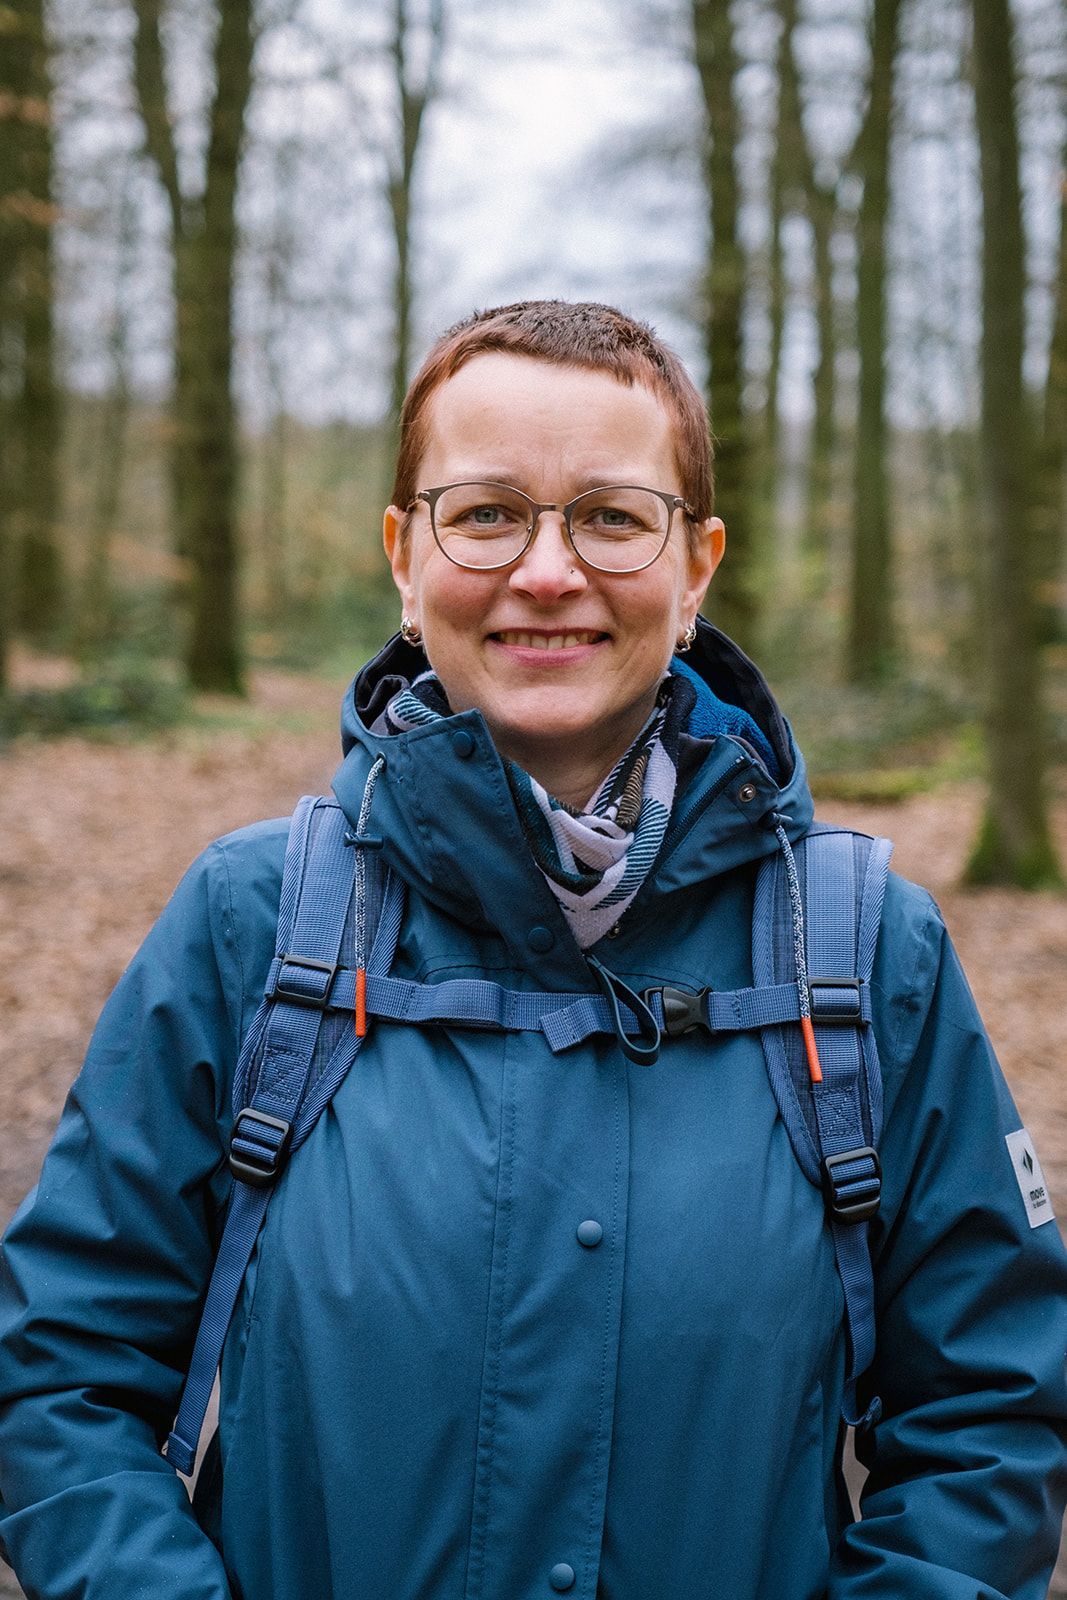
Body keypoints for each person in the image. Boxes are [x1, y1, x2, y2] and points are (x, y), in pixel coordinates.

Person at [0, 300, 1064, 1600]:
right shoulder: (251, 921)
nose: (547, 570)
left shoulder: (863, 947)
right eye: (488, 511)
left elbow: (991, 1415)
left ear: (697, 565)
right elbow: (59, 1376)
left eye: (612, 516)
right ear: (405, 553)